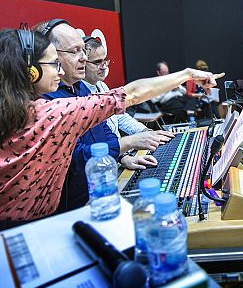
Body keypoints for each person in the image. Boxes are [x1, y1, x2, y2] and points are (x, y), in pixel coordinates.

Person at [0, 28, 220, 233]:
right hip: (39, 233)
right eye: (53, 63)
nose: (60, 69)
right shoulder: (50, 115)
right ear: (31, 71)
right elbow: (130, 95)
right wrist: (187, 74)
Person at [38, 19, 157, 212]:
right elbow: (74, 157)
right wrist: (129, 143)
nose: (83, 58)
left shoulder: (81, 87)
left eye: (82, 51)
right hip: (72, 208)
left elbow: (104, 128)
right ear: (51, 55)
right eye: (74, 51)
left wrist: (121, 155)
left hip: (98, 195)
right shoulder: (45, 100)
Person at [82, 36, 174, 147]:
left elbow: (119, 116)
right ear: (82, 64)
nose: (104, 66)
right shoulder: (79, 96)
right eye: (97, 62)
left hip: (116, 153)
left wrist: (145, 131)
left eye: (105, 60)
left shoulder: (102, 86)